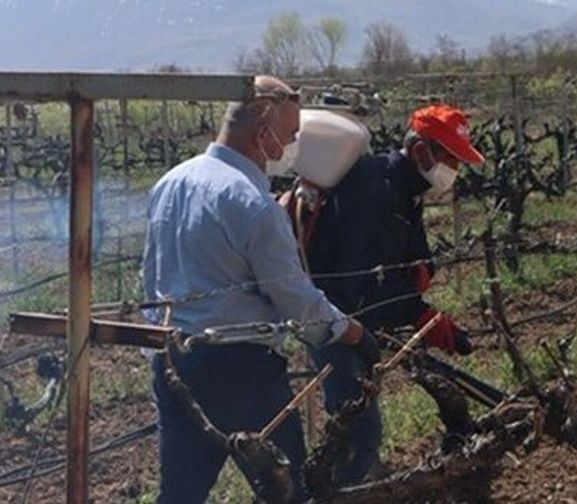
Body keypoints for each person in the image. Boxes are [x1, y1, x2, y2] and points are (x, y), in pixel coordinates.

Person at [141, 75, 379, 504]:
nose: (291, 147)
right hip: (240, 371)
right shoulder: (252, 201)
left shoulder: (170, 183)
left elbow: (150, 276)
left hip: (171, 360)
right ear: (262, 132)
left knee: (180, 494)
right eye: (289, 135)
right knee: (287, 493)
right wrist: (351, 333)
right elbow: (293, 299)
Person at [284, 103, 485, 485]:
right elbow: (362, 283)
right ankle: (342, 490)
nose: (454, 172)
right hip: (333, 319)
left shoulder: (406, 188)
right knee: (360, 430)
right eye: (451, 160)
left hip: (360, 317)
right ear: (421, 151)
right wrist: (421, 314)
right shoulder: (375, 191)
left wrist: (422, 267)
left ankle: (355, 482)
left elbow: (409, 251)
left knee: (362, 421)